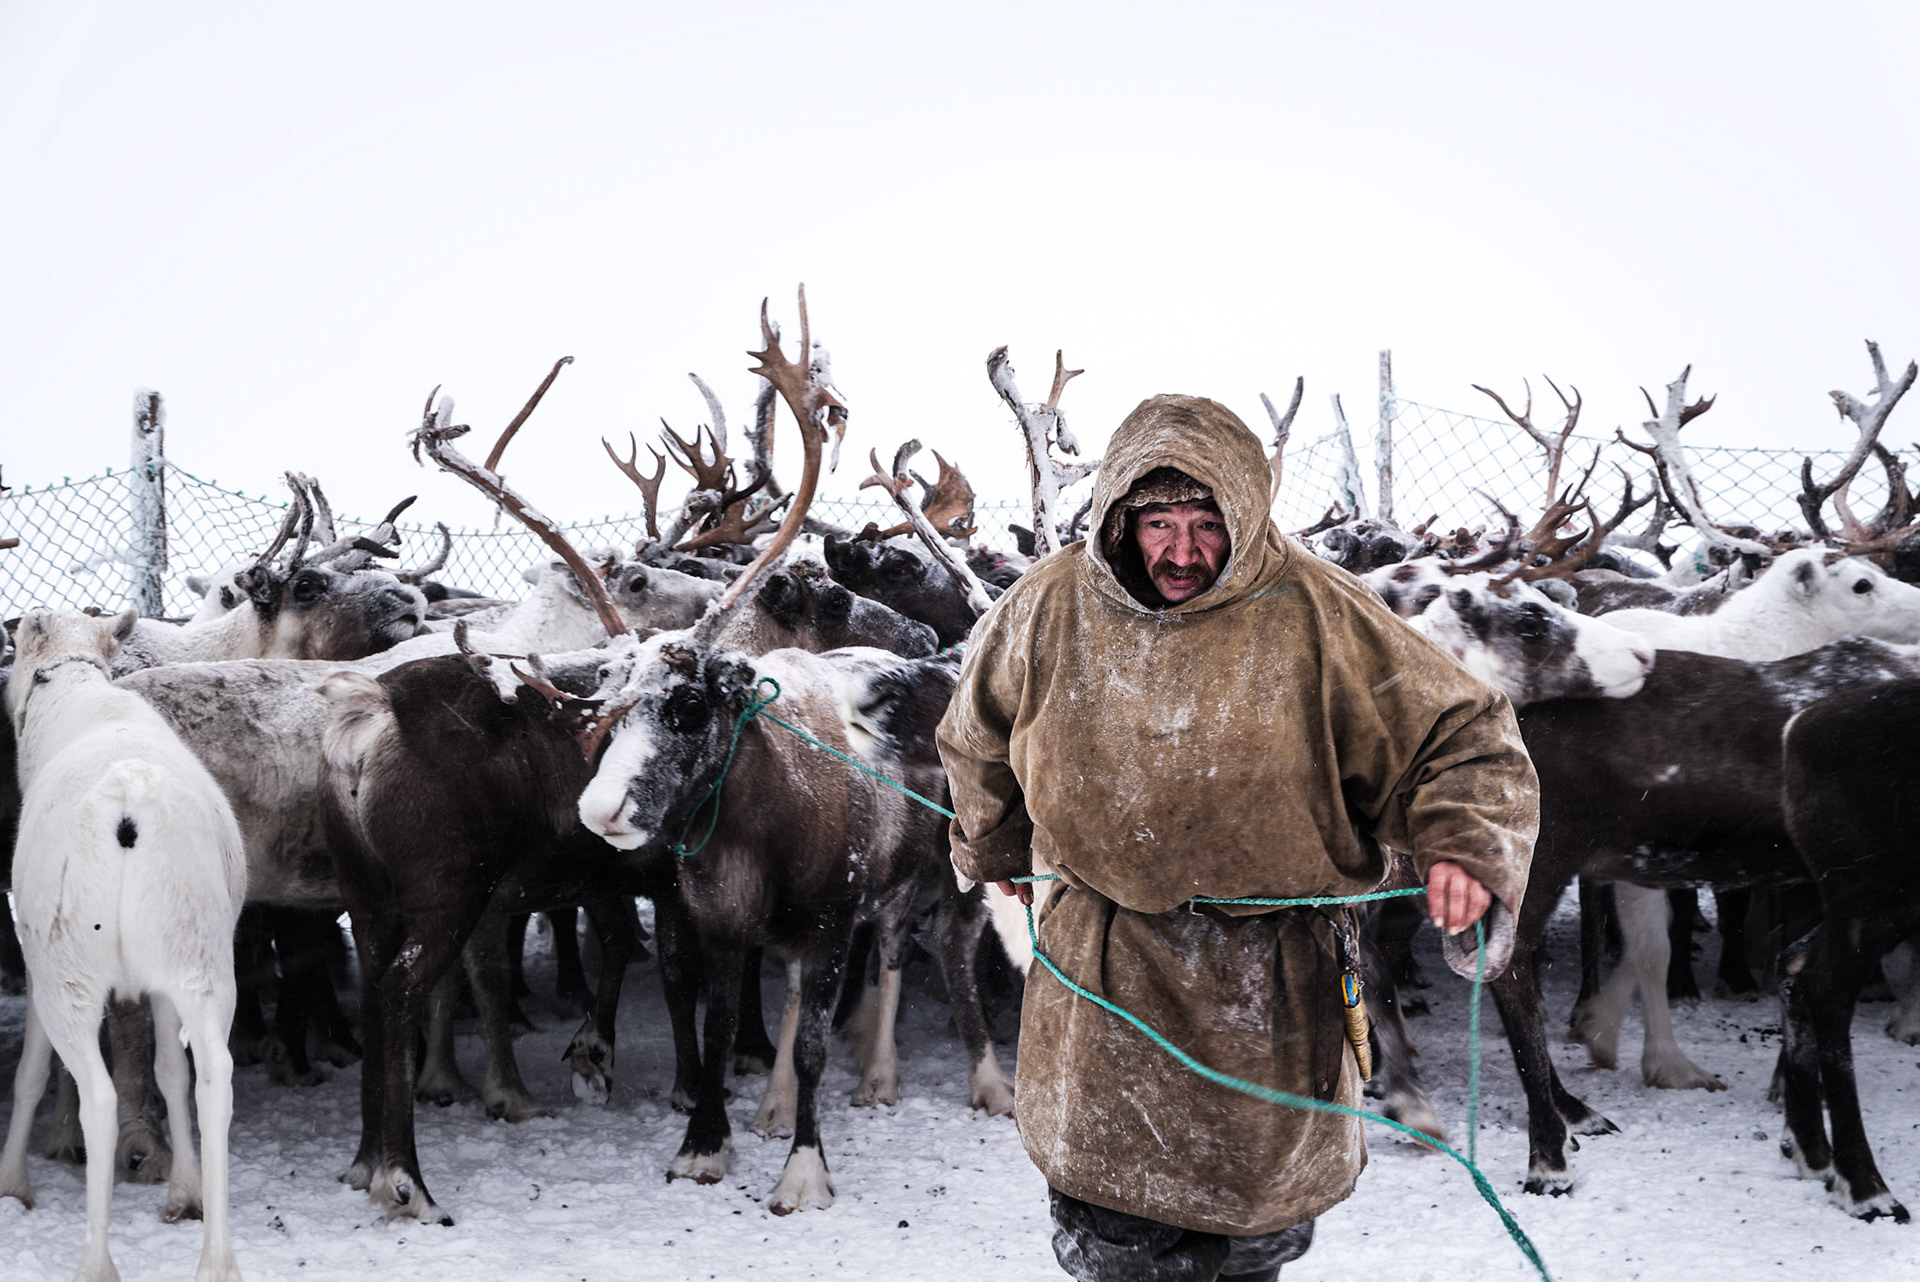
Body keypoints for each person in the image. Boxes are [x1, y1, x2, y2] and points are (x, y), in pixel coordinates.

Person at [935, 394, 1538, 1281]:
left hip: (1274, 980)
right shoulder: (1052, 605)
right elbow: (976, 734)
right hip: (1106, 969)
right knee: (1117, 1221)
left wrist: (1465, 844)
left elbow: (1462, 737)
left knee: (1254, 1230)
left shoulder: (1319, 610)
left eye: (1208, 523)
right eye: (1159, 524)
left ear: (1248, 513)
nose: (1183, 552)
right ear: (1118, 519)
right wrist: (993, 840)